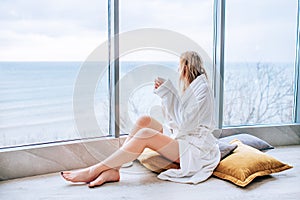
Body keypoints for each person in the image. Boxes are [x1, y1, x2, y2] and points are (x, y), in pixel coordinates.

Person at [61, 51, 221, 187]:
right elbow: (175, 119)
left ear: (185, 67)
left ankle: (93, 171)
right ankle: (114, 169)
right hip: (184, 137)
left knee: (145, 134)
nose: (178, 71)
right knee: (144, 121)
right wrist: (166, 95)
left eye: (179, 67)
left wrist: (169, 92)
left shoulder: (202, 90)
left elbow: (185, 123)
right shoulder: (195, 88)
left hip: (194, 149)